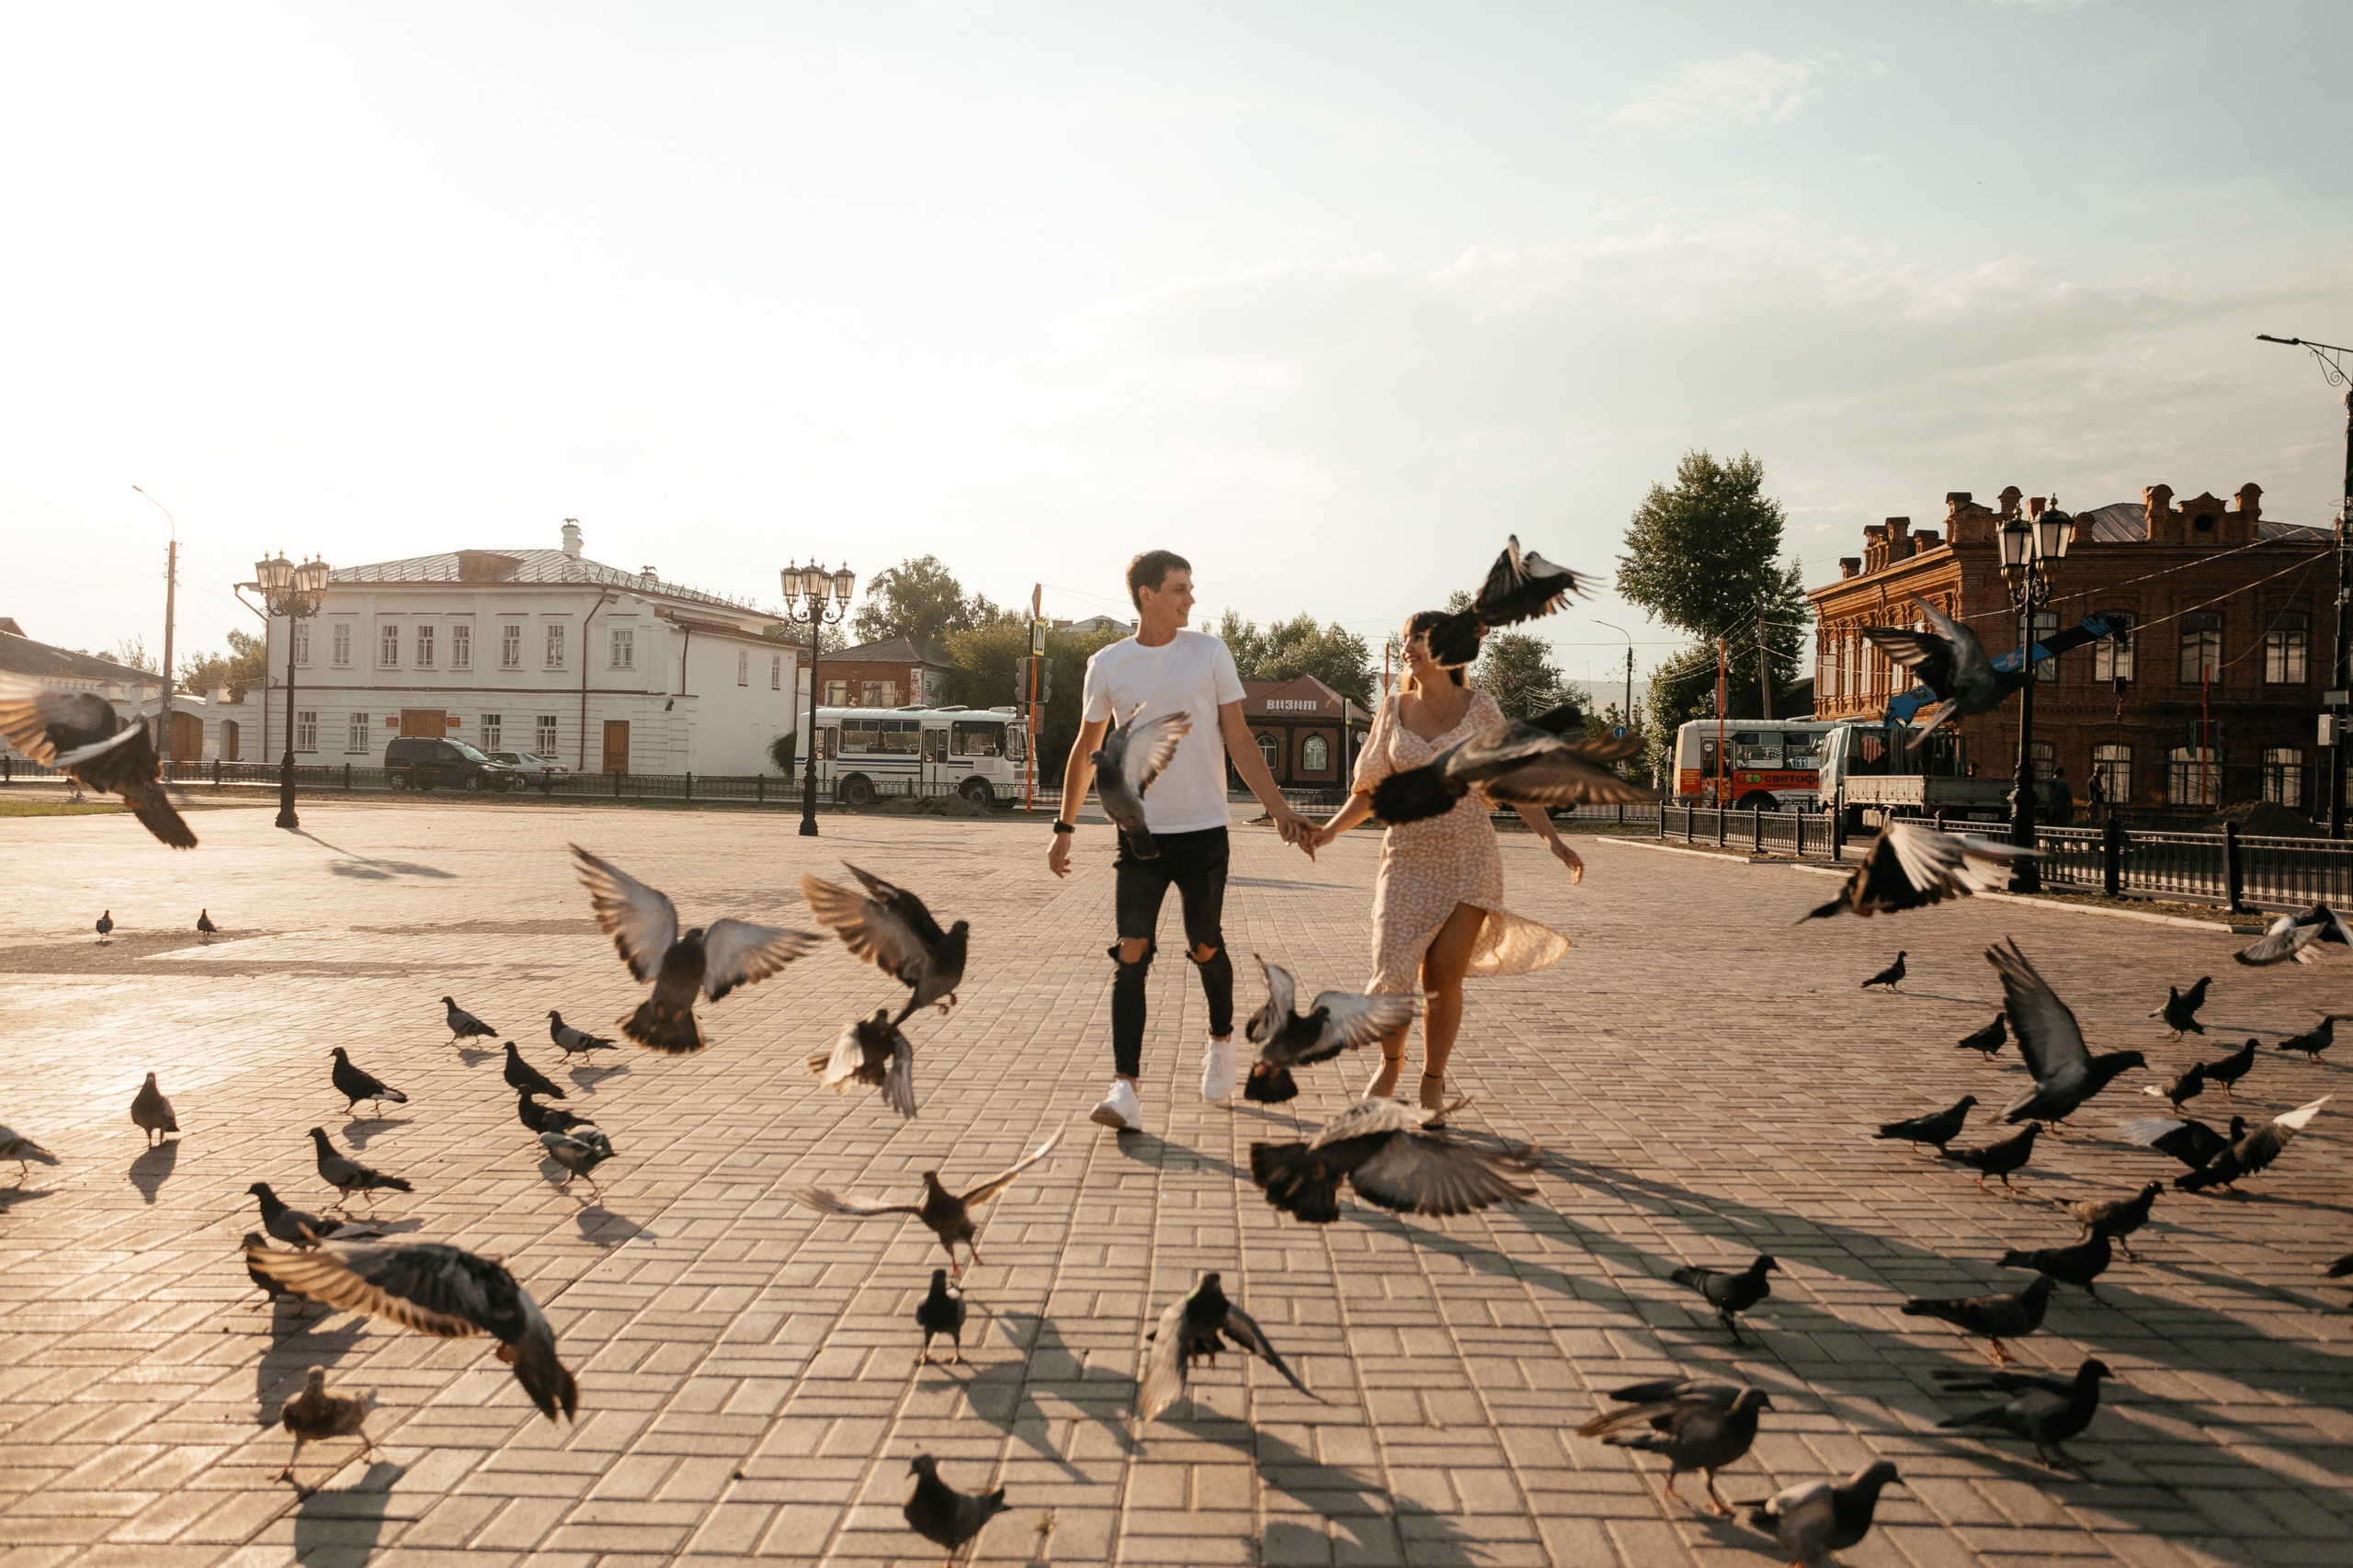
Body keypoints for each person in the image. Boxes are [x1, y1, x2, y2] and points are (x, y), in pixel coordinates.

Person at [1047, 550, 1316, 1132]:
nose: (1191, 598)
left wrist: (1278, 811)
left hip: (1203, 831)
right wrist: (1064, 828)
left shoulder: (1208, 653)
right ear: (1147, 595)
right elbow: (1086, 748)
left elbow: (1239, 738)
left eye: (1191, 588)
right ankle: (1125, 1089)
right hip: (1139, 836)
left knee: (1205, 946)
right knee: (1131, 950)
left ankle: (1221, 1042)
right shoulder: (1107, 664)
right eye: (1179, 588)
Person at [1305, 612, 1584, 1120]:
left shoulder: (1481, 708)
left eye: (1420, 637)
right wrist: (1329, 831)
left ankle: (1432, 1081)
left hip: (1468, 857)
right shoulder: (1393, 709)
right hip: (1407, 857)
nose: (1408, 645)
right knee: (1391, 973)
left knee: (1441, 978)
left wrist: (1552, 839)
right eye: (1406, 637)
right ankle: (1391, 1064)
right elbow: (1369, 791)